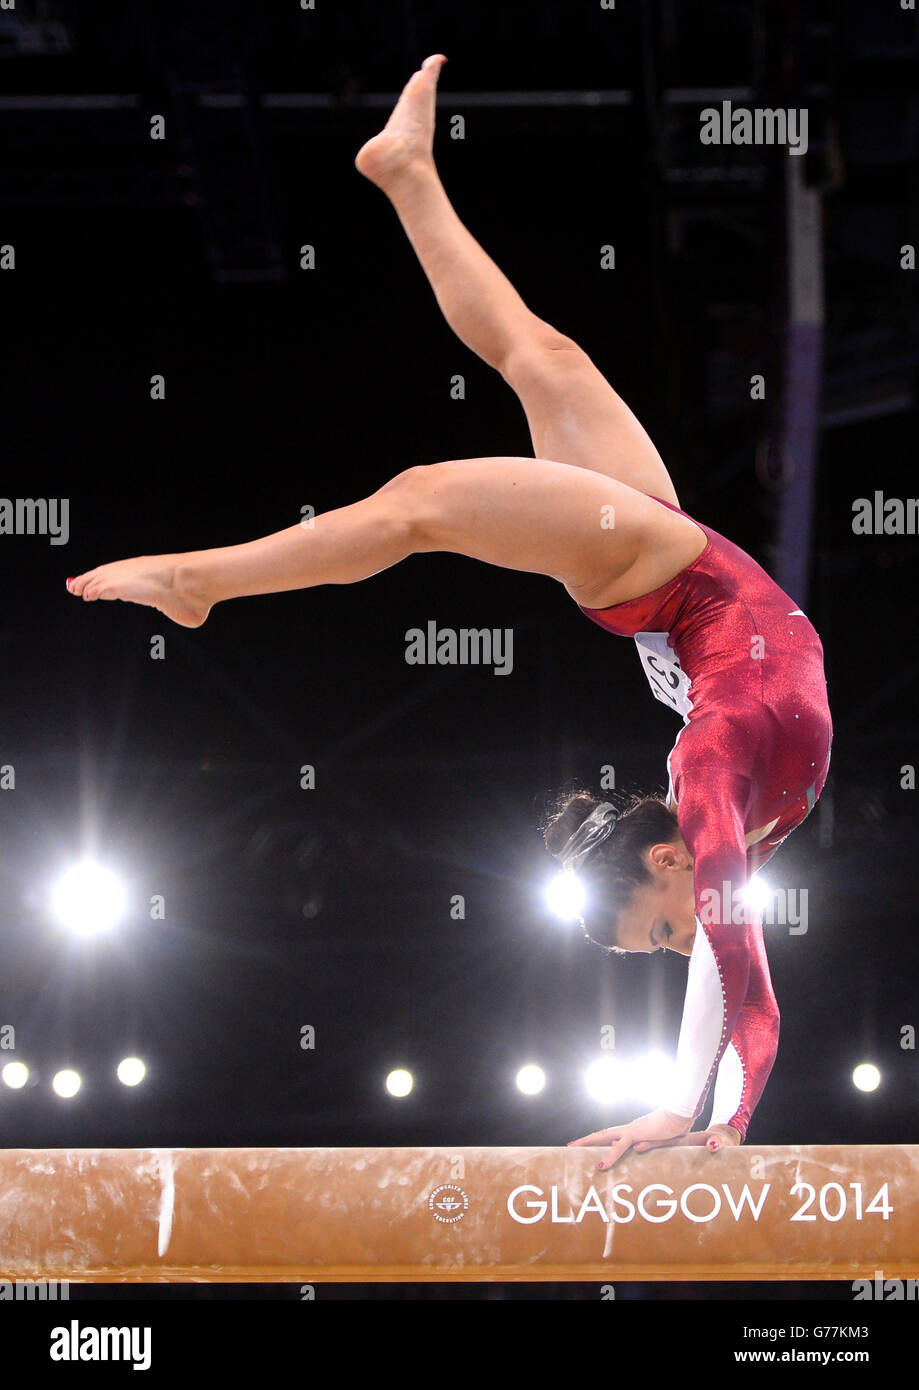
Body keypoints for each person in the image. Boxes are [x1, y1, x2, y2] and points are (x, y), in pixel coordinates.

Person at [65, 54, 832, 1170]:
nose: (682, 940)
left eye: (661, 935)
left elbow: (726, 968)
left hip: (668, 589)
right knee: (475, 433)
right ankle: (206, 574)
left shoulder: (712, 805)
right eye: (664, 927)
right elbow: (745, 986)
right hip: (664, 576)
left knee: (475, 435)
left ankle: (405, 181)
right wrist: (715, 1115)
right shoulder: (712, 787)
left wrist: (689, 1110)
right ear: (667, 866)